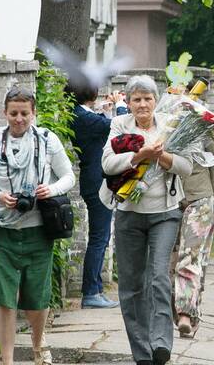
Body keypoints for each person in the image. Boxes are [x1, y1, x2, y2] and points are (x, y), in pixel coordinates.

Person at [0, 87, 75, 365]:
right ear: (4, 112)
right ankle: (7, 359)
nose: (19, 119)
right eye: (13, 113)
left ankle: (38, 344)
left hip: (39, 230)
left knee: (37, 297)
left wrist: (50, 190)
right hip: (2, 230)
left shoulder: (46, 140)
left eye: (25, 113)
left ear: (34, 113)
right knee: (5, 298)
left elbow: (68, 177)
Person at [100, 75, 193, 365]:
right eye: (136, 99)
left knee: (158, 277)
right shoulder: (119, 125)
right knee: (131, 286)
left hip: (164, 213)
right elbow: (107, 164)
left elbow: (186, 166)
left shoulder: (170, 124)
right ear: (127, 102)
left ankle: (161, 344)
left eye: (147, 98)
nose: (142, 104)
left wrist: (161, 156)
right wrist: (140, 155)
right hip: (128, 214)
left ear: (156, 100)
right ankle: (142, 353)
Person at [173, 121, 214, 338]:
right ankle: (180, 313)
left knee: (191, 258)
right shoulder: (159, 123)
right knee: (170, 263)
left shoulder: (202, 127)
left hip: (201, 200)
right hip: (169, 202)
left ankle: (186, 314)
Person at [68, 84, 120, 309]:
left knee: (101, 237)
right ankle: (90, 292)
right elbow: (119, 128)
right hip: (98, 181)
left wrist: (105, 108)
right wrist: (119, 106)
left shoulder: (81, 114)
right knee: (99, 237)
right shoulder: (84, 118)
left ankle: (96, 289)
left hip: (94, 180)